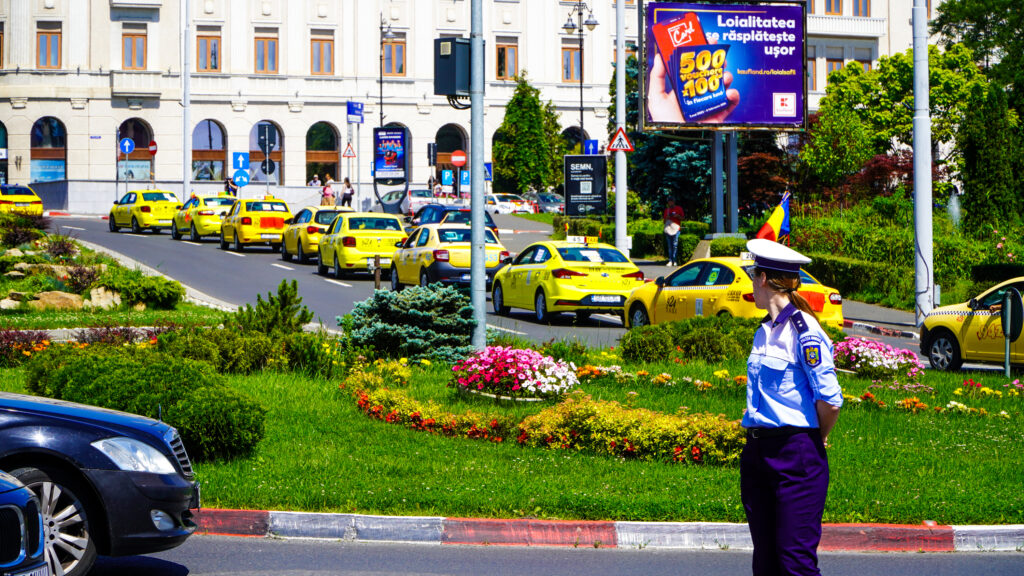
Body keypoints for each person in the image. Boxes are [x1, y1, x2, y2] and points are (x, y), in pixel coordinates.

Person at [741, 238, 843, 576]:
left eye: (752, 275)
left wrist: (816, 437)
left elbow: (829, 400)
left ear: (764, 278)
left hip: (795, 455)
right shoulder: (764, 331)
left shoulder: (804, 332)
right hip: (757, 453)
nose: (750, 284)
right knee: (766, 561)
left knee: (794, 561)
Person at [662, 197, 684, 266]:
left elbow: (683, 218)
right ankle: (670, 260)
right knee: (670, 246)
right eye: (669, 202)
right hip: (669, 229)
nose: (670, 203)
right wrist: (667, 217)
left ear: (674, 202)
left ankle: (675, 260)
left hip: (676, 228)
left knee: (675, 245)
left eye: (671, 201)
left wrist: (677, 216)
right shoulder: (666, 210)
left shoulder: (679, 209)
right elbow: (664, 221)